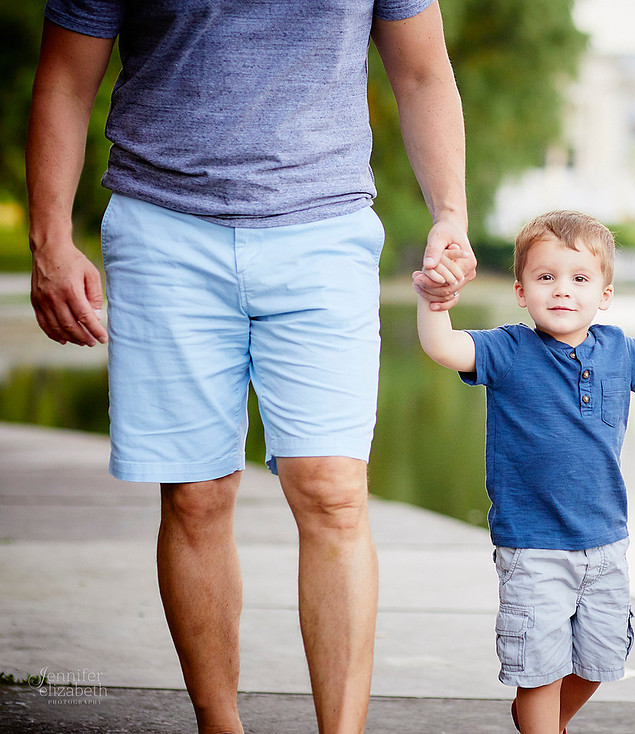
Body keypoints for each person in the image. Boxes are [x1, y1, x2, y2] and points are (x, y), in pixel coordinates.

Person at [26, 1, 474, 732]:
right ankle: (219, 725)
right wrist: (50, 240)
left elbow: (423, 72)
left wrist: (449, 214)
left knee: (333, 490)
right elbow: (65, 79)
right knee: (196, 492)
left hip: (324, 226)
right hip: (163, 222)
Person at [416, 210, 635, 734]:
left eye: (579, 279)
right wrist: (435, 303)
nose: (562, 291)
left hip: (604, 543)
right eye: (546, 278)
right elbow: (443, 346)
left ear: (604, 293)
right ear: (521, 290)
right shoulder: (509, 349)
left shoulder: (619, 350)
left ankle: (542, 721)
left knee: (600, 659)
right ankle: (540, 719)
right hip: (533, 546)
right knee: (539, 668)